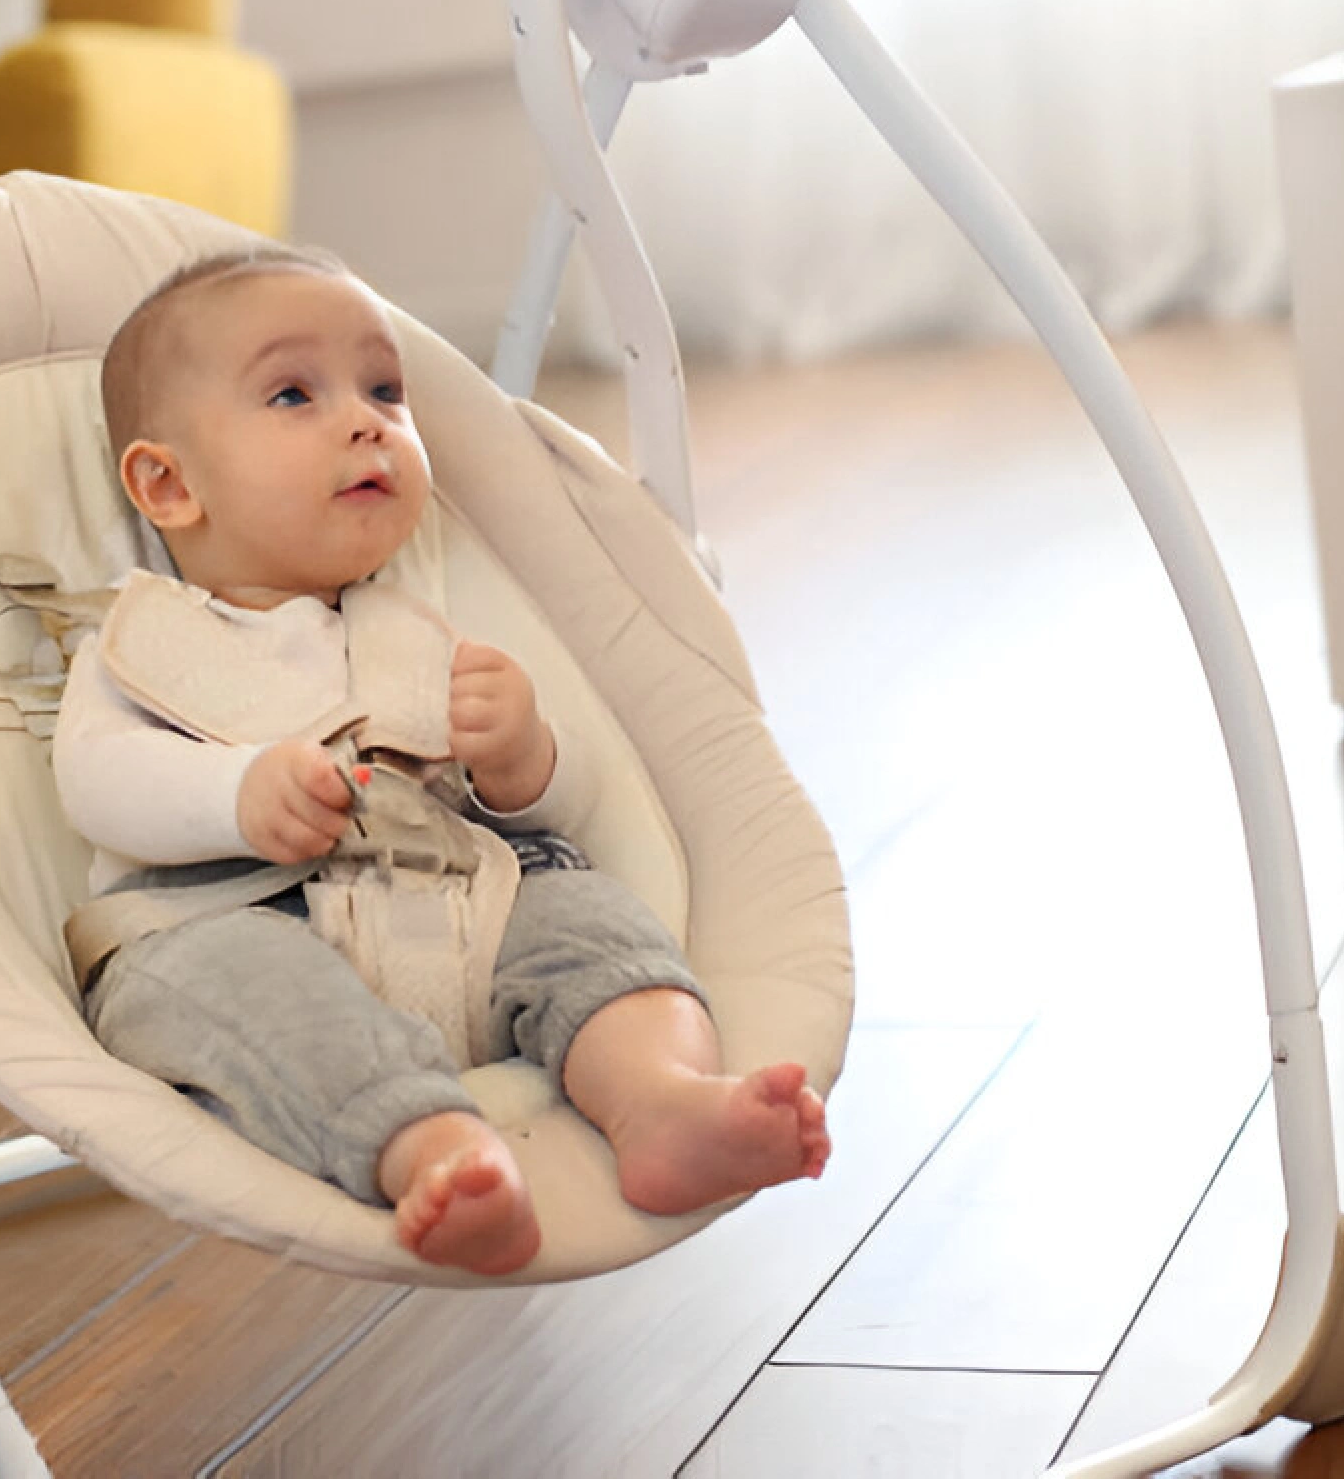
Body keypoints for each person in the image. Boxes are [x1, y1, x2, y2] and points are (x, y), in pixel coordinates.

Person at [53, 244, 829, 1276]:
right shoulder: (147, 641)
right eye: (294, 394)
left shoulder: (422, 624)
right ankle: (434, 1150)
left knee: (590, 916)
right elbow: (95, 781)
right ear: (168, 484)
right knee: (242, 997)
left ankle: (663, 1104)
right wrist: (233, 795)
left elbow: (566, 809)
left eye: (385, 390)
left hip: (461, 903)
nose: (367, 419)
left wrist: (524, 753)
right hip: (226, 913)